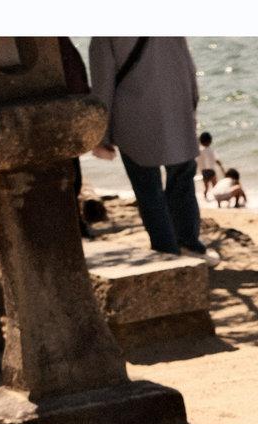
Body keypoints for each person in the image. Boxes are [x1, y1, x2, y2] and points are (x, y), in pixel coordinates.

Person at [87, 37, 219, 267]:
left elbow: (103, 82)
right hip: (177, 113)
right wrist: (191, 106)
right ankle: (190, 245)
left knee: (148, 191)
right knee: (183, 183)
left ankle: (167, 253)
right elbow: (188, 65)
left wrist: (101, 133)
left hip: (133, 118)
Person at [197, 131, 221, 198]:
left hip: (204, 171)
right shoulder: (211, 150)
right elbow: (216, 160)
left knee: (206, 187)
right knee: (215, 186)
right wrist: (221, 166)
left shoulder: (200, 151)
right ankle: (217, 200)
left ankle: (205, 198)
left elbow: (198, 161)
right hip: (211, 171)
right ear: (210, 141)